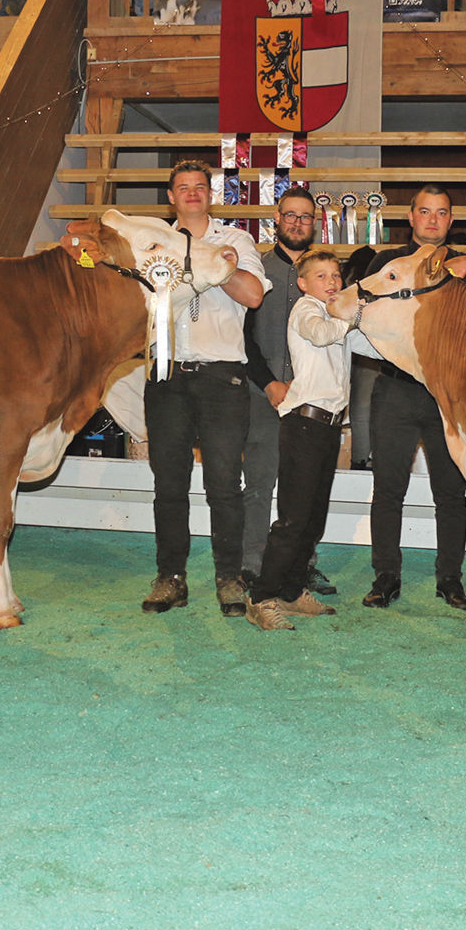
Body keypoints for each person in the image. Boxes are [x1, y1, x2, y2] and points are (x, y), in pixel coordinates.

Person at [139, 159, 268, 616]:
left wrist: (210, 263)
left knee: (223, 484)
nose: (191, 193)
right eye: (182, 187)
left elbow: (253, 295)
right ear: (171, 197)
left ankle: (229, 578)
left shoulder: (235, 240)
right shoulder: (153, 245)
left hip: (222, 375)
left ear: (211, 194)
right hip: (167, 373)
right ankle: (170, 577)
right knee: (168, 485)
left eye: (199, 186)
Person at [342, 185, 466, 610]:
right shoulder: (386, 264)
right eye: (425, 211)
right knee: (387, 489)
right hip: (396, 388)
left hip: (446, 394)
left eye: (441, 212)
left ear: (450, 220)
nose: (432, 220)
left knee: (451, 492)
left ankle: (450, 579)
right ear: (411, 217)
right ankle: (386, 577)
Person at [243, 248, 353, 631]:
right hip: (304, 424)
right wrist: (354, 314)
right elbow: (321, 336)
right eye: (321, 276)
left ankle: (290, 591)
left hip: (327, 426)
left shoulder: (333, 315)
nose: (332, 283)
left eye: (336, 276)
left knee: (312, 518)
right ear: (303, 284)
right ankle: (261, 596)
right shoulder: (307, 310)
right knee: (293, 518)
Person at [241, 187, 333, 596]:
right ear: (276, 219)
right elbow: (243, 338)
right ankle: (252, 564)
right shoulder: (257, 271)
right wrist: (269, 383)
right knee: (260, 482)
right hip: (267, 395)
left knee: (306, 489)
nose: (297, 223)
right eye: (290, 215)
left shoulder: (329, 277)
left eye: (306, 216)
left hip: (311, 402)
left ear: (315, 223)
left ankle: (303, 565)